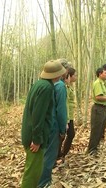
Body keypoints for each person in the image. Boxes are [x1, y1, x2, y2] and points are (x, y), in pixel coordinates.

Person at [20, 60, 66, 188]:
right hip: (34, 138)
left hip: (31, 134)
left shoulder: (40, 84)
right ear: (57, 75)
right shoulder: (46, 88)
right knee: (32, 173)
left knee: (34, 169)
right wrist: (37, 139)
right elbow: (38, 115)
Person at [38, 59, 69, 188]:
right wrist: (63, 129)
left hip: (46, 123)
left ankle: (41, 180)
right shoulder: (60, 86)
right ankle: (44, 183)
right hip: (54, 124)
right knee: (49, 156)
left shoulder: (45, 84)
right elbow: (61, 110)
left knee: (44, 154)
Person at [87, 68, 106, 155]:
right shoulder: (97, 83)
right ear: (100, 74)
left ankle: (95, 148)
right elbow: (98, 97)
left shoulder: (102, 83)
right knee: (96, 129)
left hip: (103, 108)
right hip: (98, 108)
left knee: (99, 129)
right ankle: (91, 150)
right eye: (105, 73)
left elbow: (105, 94)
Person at [58, 67, 77, 161]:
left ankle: (62, 153)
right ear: (69, 76)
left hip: (70, 114)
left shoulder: (68, 86)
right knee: (62, 135)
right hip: (66, 115)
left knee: (70, 134)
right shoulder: (63, 87)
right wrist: (66, 120)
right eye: (75, 75)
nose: (76, 77)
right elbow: (64, 104)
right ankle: (58, 154)